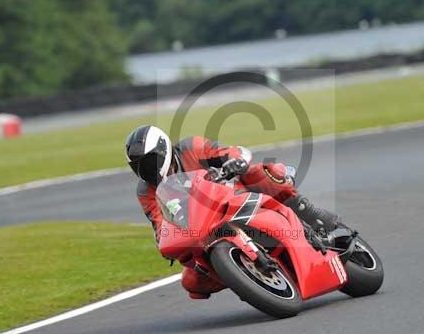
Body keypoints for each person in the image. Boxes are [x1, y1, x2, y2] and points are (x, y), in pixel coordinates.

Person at [125, 125, 349, 299]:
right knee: (192, 281)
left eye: (149, 161)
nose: (144, 170)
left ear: (164, 149)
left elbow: (229, 151)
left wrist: (234, 162)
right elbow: (159, 225)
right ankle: (245, 277)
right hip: (202, 226)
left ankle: (309, 213)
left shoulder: (191, 147)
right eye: (138, 166)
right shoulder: (146, 191)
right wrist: (167, 242)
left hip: (233, 193)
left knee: (259, 173)